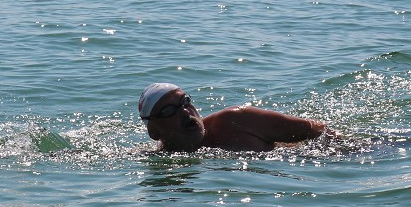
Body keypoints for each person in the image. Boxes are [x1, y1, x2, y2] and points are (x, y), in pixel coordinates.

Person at [138, 82, 331, 153]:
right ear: (154, 132)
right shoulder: (157, 159)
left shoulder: (235, 121)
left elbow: (317, 130)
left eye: (185, 101)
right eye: (169, 111)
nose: (185, 112)